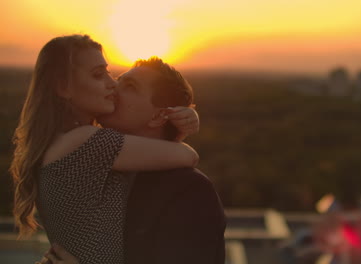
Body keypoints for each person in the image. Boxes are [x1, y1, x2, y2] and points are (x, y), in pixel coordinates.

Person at [10, 34, 200, 264]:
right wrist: (181, 123)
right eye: (98, 75)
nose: (112, 83)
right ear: (63, 87)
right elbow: (186, 155)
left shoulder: (64, 142)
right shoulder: (85, 143)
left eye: (109, 73)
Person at [41, 57, 226, 264]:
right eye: (119, 79)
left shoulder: (189, 189)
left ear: (158, 117)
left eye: (129, 86)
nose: (113, 87)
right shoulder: (97, 172)